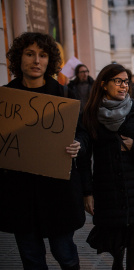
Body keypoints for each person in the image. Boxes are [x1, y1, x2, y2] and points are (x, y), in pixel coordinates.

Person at [0, 32, 83, 270]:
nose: (37, 60)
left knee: (65, 255)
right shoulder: (6, 97)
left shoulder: (65, 95)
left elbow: (84, 134)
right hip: (20, 197)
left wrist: (79, 144)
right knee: (32, 259)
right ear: (19, 59)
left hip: (58, 195)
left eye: (43, 55)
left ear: (49, 61)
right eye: (30, 54)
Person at [80, 63, 134, 270]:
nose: (124, 86)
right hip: (107, 189)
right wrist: (87, 192)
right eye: (118, 81)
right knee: (114, 242)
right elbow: (84, 158)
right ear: (103, 84)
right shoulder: (90, 113)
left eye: (126, 81)